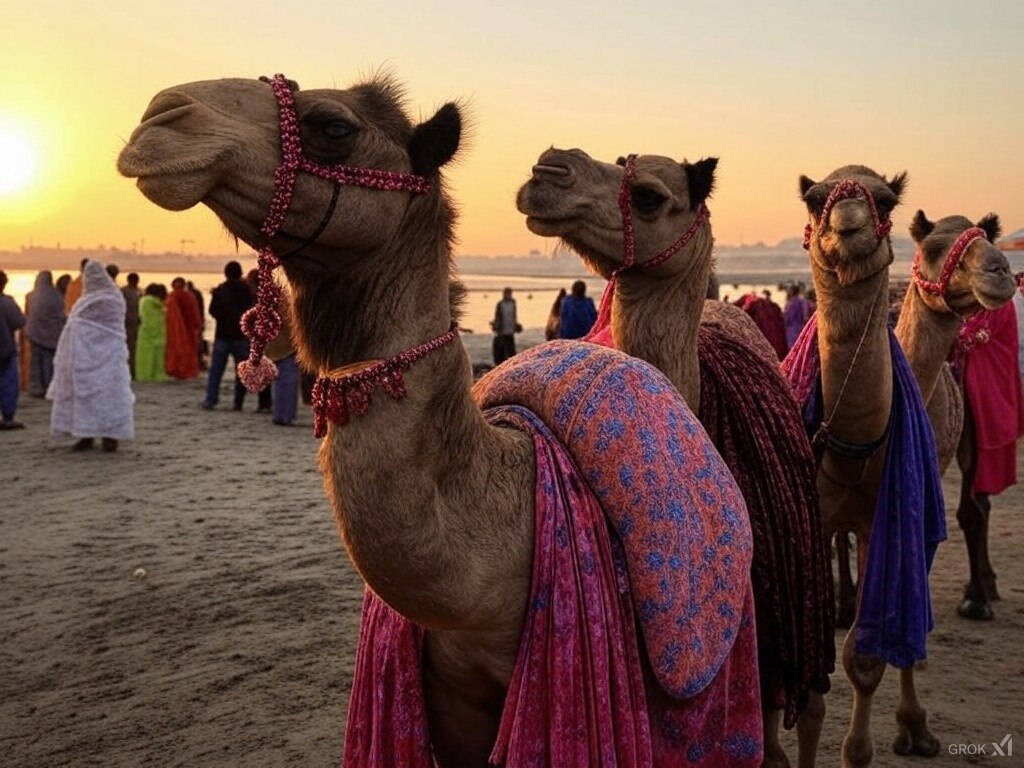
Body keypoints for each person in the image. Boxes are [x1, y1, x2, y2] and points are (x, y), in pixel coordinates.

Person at [47, 260, 134, 452]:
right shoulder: (91, 299)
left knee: (106, 396)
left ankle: (109, 437)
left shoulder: (108, 298)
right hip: (88, 358)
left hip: (108, 356)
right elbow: (77, 324)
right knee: (89, 397)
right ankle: (86, 435)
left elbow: (103, 325)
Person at [202, 260, 255, 410]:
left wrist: (223, 317)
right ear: (240, 273)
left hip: (222, 335)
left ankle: (211, 400)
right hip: (240, 335)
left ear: (226, 274)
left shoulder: (220, 290)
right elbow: (251, 310)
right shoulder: (246, 290)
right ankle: (238, 403)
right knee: (241, 372)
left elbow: (212, 311)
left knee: (216, 371)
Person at [24, 270, 66, 397]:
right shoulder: (57, 296)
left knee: (35, 362)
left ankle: (35, 387)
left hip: (34, 333)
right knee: (49, 361)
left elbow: (28, 314)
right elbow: (61, 314)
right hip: (52, 334)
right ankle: (49, 387)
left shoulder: (30, 296)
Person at [263, 290, 300, 426]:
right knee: (289, 383)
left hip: (273, 348)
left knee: (279, 384)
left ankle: (279, 414)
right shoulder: (286, 305)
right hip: (287, 349)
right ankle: (287, 416)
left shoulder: (267, 305)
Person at [0, 270, 27, 430]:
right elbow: (19, 322)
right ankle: (8, 418)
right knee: (8, 383)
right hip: (5, 349)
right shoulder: (7, 302)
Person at [164, 277, 202, 380]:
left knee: (175, 348)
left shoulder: (171, 296)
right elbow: (195, 313)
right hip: (189, 327)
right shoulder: (188, 296)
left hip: (176, 328)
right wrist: (198, 326)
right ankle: (186, 370)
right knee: (189, 349)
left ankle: (175, 369)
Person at [135, 283, 169, 381]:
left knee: (144, 356)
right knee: (157, 356)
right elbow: (163, 307)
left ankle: (143, 375)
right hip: (156, 332)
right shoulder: (154, 302)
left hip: (145, 331)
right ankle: (156, 375)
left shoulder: (143, 300)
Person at [491, 287, 520, 365]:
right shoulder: (500, 304)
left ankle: (511, 362)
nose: (508, 295)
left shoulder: (513, 303)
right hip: (502, 330)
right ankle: (502, 363)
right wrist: (496, 326)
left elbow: (514, 315)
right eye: (506, 293)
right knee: (502, 349)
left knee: (511, 348)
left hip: (510, 329)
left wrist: (515, 325)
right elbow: (497, 316)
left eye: (509, 293)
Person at [122, 273, 142, 378]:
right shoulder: (124, 292)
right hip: (127, 323)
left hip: (136, 323)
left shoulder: (140, 291)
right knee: (128, 347)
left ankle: (134, 370)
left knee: (135, 347)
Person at [186, 280, 207, 370]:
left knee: (196, 343)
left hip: (193, 323)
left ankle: (197, 362)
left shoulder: (191, 295)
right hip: (195, 322)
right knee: (197, 343)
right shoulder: (196, 294)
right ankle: (198, 362)